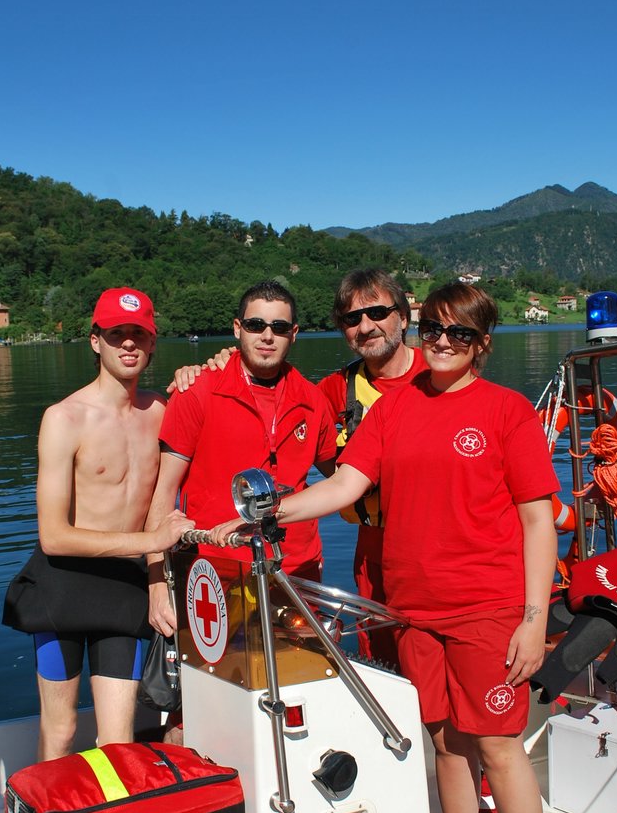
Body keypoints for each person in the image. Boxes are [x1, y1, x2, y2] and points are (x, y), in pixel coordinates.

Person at [211, 282, 558, 813]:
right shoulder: (394, 409)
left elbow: (538, 520)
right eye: (435, 331)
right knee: (447, 745)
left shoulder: (506, 410)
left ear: (482, 345)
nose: (444, 343)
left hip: (488, 606)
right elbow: (345, 485)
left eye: (461, 334)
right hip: (414, 608)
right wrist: (267, 515)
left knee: (500, 746)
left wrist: (533, 619)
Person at [26, 287, 193, 760]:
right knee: (60, 732)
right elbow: (53, 536)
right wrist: (152, 541)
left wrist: (203, 366)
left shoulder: (163, 413)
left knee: (117, 742)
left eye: (138, 334)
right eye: (116, 333)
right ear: (95, 341)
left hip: (123, 589)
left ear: (153, 343)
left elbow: (217, 389)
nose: (128, 344)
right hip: (63, 587)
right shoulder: (64, 418)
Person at [145, 280, 338, 640]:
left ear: (293, 334)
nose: (267, 336)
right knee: (221, 688)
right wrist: (157, 582)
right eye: (255, 325)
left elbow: (344, 478)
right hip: (215, 574)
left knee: (300, 684)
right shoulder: (197, 392)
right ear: (237, 328)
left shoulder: (313, 400)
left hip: (296, 570)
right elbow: (162, 496)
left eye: (279, 327)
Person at [317, 269, 426, 668]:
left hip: (440, 547)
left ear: (404, 317)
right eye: (351, 319)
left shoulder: (444, 376)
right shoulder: (332, 391)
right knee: (383, 665)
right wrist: (212, 365)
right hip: (373, 549)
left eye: (378, 312)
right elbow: (270, 404)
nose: (365, 326)